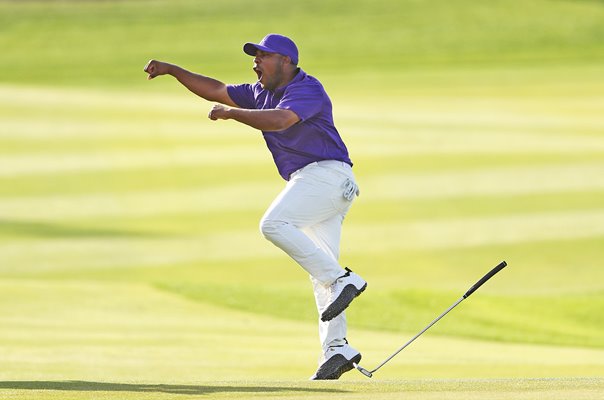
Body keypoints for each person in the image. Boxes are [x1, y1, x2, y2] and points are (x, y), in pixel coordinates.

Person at [144, 33, 367, 380]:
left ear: (286, 62)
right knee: (320, 269)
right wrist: (173, 70)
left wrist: (233, 114)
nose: (256, 61)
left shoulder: (307, 88)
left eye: (264, 56)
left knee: (274, 225)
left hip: (326, 175)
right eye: (255, 56)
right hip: (319, 183)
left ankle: (343, 280)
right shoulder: (259, 92)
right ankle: (337, 349)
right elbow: (216, 88)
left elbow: (280, 120)